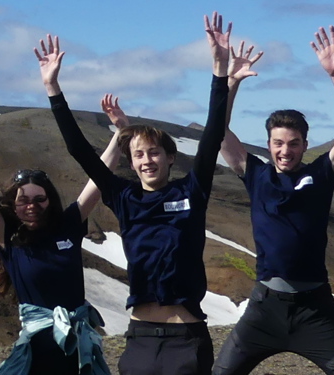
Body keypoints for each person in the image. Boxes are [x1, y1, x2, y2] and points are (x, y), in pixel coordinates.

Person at [50, 13, 258, 375]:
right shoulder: (122, 197)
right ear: (131, 163)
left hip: (186, 338)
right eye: (139, 155)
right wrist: (53, 89)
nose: (147, 160)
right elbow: (78, 150)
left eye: (155, 152)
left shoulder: (192, 190)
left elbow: (212, 134)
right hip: (140, 338)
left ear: (170, 157)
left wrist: (219, 68)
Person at [0, 36, 128, 372]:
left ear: (50, 200)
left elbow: (98, 179)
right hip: (35, 353)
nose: (31, 205)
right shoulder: (8, 237)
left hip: (77, 348)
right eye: (23, 200)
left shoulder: (70, 223)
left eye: (39, 199)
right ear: (13, 206)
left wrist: (121, 134)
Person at [208, 26, 334, 375]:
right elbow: (217, 131)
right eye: (278, 143)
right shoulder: (255, 174)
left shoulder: (322, 174)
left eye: (293, 143)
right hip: (265, 308)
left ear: (304, 144)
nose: (285, 150)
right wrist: (231, 83)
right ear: (268, 144)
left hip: (316, 309)